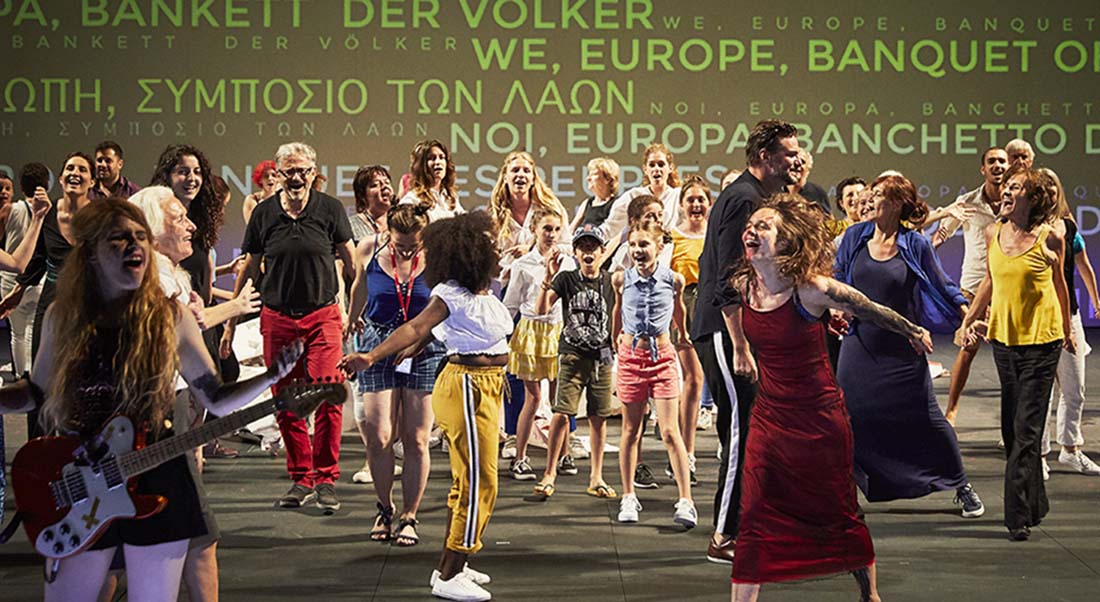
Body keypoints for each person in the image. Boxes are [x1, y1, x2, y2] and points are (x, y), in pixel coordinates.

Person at [0, 198, 304, 602]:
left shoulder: (170, 316)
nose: (135, 246)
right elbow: (35, 393)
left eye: (141, 236)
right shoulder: (63, 316)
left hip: (159, 472)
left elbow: (214, 397)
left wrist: (271, 376)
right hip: (82, 476)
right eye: (120, 238)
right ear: (90, 254)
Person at [732, 193, 933, 602]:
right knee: (753, 513)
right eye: (750, 226)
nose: (751, 231)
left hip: (820, 420)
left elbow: (869, 308)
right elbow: (725, 308)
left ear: (786, 241)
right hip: (770, 419)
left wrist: (911, 331)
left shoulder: (811, 290)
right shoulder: (743, 284)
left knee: (837, 509)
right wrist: (739, 347)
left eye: (763, 226)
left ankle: (869, 595)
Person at [340, 212, 509, 602]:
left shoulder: (482, 292)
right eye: (491, 246)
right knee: (479, 482)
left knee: (470, 480)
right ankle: (449, 574)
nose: (498, 251)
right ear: (472, 253)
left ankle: (457, 563)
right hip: (467, 385)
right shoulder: (449, 295)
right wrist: (372, 356)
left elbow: (422, 339)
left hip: (485, 387)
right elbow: (413, 328)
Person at [834, 175, 984, 517]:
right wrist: (835, 308)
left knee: (928, 420)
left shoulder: (915, 244)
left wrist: (967, 317)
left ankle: (960, 484)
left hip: (902, 347)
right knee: (851, 418)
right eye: (870, 196)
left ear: (899, 204)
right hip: (860, 345)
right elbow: (839, 277)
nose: (869, 202)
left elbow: (944, 285)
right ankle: (845, 495)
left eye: (878, 196)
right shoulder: (855, 237)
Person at [692, 119, 802, 564]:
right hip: (724, 330)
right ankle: (724, 536)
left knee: (756, 432)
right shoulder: (742, 200)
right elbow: (726, 280)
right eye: (788, 152)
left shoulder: (759, 200)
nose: (796, 159)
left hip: (740, 331)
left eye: (798, 152)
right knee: (740, 432)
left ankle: (751, 525)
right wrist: (739, 344)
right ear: (763, 157)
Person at [224, 142, 355, 512]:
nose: (296, 177)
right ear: (278, 174)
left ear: (314, 172)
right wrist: (232, 323)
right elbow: (249, 268)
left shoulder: (329, 209)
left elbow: (350, 265)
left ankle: (326, 479)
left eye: (303, 170)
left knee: (330, 395)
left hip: (321, 317)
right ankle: (302, 478)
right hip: (278, 317)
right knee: (287, 401)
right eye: (289, 171)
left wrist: (351, 310)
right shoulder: (264, 214)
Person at [962, 166, 1073, 541]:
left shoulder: (1051, 237)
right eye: (1006, 187)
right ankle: (1036, 504)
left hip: (1042, 343)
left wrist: (1069, 331)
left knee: (1027, 430)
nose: (1006, 193)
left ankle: (1016, 515)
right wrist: (968, 321)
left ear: (1034, 197)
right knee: (1012, 430)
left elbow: (1060, 287)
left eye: (1016, 188)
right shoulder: (994, 232)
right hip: (1005, 342)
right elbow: (989, 282)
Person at [343, 203, 443, 547]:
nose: (405, 251)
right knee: (379, 434)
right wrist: (352, 317)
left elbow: (445, 307)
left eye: (412, 246)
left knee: (416, 438)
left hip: (424, 346)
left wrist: (420, 342)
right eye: (400, 244)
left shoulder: (438, 255)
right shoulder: (369, 247)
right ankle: (384, 508)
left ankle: (410, 515)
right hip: (377, 341)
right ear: (388, 234)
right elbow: (360, 285)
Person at [612, 220, 697, 528]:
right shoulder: (622, 279)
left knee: (670, 432)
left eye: (644, 245)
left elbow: (679, 310)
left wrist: (683, 335)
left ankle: (686, 500)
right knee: (630, 431)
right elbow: (618, 311)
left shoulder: (674, 280)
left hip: (662, 358)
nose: (638, 250)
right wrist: (615, 343)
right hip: (631, 357)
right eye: (633, 245)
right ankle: (628, 496)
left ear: (659, 247)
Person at [12, 153, 96, 438]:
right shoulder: (47, 215)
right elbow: (37, 259)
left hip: (89, 304)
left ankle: (81, 451)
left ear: (92, 181)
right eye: (69, 168)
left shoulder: (100, 217)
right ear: (60, 179)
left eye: (82, 169)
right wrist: (18, 289)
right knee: (40, 378)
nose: (75, 173)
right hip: (51, 302)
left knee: (85, 378)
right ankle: (39, 448)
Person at [532, 224, 617, 498]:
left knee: (598, 417)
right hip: (572, 354)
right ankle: (549, 473)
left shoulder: (610, 281)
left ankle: (596, 476)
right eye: (583, 247)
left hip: (602, 357)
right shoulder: (567, 278)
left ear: (603, 251)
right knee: (561, 413)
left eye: (593, 246)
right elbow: (541, 309)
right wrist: (548, 276)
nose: (588, 251)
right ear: (576, 252)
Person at [932, 147, 1009, 424]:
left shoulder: (1017, 202)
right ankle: (951, 411)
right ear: (983, 169)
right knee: (967, 349)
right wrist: (924, 253)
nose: (998, 165)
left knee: (1008, 359)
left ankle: (1009, 420)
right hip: (975, 287)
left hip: (1008, 289)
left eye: (1002, 161)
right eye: (992, 161)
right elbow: (943, 233)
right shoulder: (968, 202)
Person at [502, 208, 574, 482]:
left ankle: (562, 454)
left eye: (556, 229)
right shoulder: (523, 265)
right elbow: (510, 305)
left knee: (560, 400)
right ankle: (520, 458)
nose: (552, 234)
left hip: (557, 332)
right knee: (532, 399)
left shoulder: (568, 264)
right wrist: (502, 338)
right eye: (546, 228)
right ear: (534, 229)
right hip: (530, 332)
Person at [1039, 168, 1100, 477]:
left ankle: (1071, 449)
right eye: (1043, 189)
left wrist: (1096, 300)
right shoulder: (1024, 228)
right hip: (1038, 318)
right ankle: (1039, 455)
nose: (1049, 194)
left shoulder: (1069, 227)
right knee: (1042, 390)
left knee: (1074, 388)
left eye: (1053, 188)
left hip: (1070, 313)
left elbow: (1083, 265)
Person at [667, 175, 711, 484]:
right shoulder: (672, 236)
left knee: (701, 382)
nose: (696, 204)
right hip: (682, 305)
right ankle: (686, 454)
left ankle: (686, 451)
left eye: (701, 199)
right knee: (693, 379)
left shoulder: (717, 234)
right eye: (690, 199)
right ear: (682, 205)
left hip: (711, 305)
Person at [398, 139, 463, 222]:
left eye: (441, 157)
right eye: (431, 158)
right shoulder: (412, 199)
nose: (437, 162)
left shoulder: (451, 198)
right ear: (421, 166)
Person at [568, 157, 620, 232]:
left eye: (593, 174)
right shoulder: (587, 203)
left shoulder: (617, 204)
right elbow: (571, 230)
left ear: (608, 179)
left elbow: (617, 233)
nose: (588, 178)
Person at [350, 164, 394, 243]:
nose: (384, 186)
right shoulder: (351, 226)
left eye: (387, 182)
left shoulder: (399, 222)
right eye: (375, 185)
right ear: (362, 196)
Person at [241, 160, 281, 224]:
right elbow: (254, 227)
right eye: (266, 176)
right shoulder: (252, 199)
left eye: (274, 175)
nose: (270, 178)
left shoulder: (282, 199)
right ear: (260, 180)